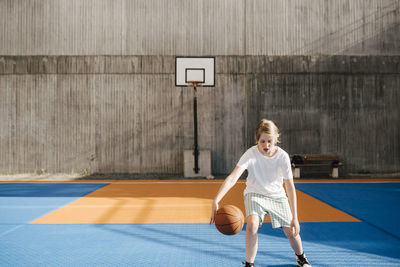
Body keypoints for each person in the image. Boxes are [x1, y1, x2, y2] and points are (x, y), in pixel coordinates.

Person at [210, 119, 311, 267]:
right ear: (257, 139)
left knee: (291, 231)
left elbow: (289, 187)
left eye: (269, 141)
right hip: (254, 194)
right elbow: (233, 178)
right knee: (252, 225)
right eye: (262, 141)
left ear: (276, 139)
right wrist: (216, 200)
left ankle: (301, 257)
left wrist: (295, 217)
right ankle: (249, 264)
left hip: (277, 195)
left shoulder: (282, 156)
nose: (266, 145)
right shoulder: (250, 154)